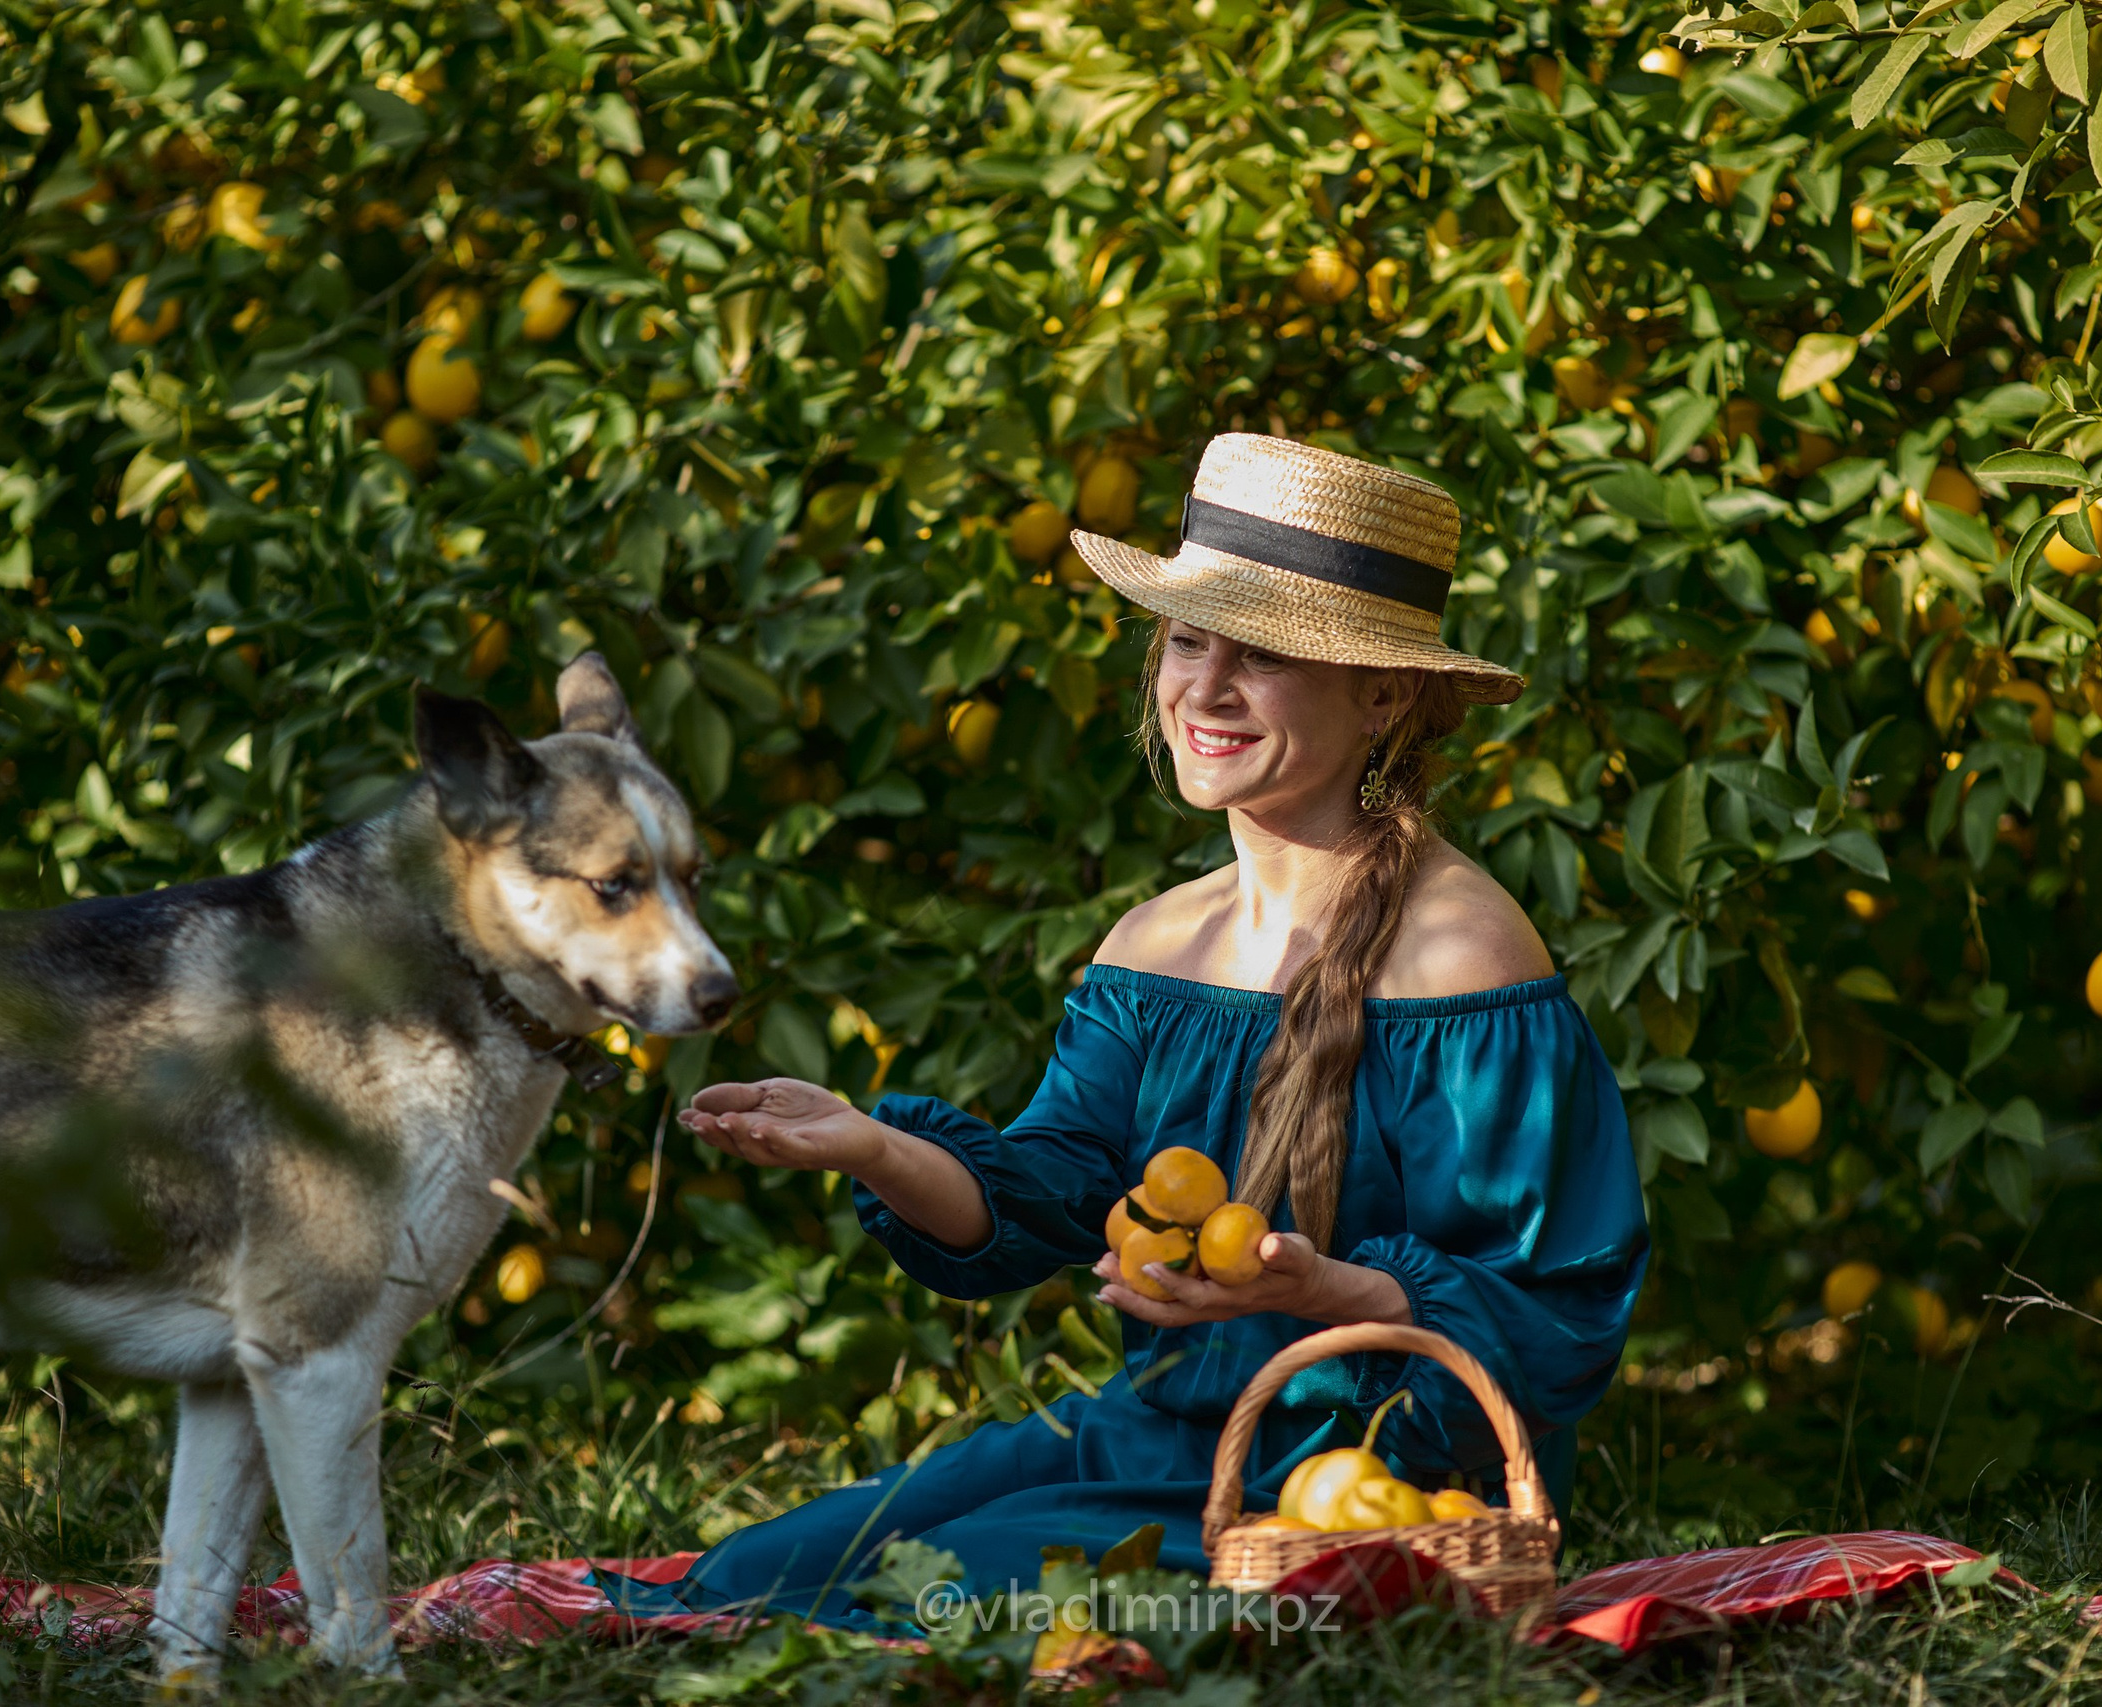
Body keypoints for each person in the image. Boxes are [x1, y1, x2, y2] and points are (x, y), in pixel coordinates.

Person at [661, 434, 1646, 1627]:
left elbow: (1553, 1315)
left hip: (1365, 1481)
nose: (1206, 688)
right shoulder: (1156, 943)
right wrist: (870, 1145)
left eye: (1263, 655)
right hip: (1158, 1430)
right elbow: (1049, 1200)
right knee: (753, 1579)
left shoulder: (1461, 956)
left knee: (929, 1602)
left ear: (1382, 694)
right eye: (1188, 641)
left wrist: (1323, 1288)